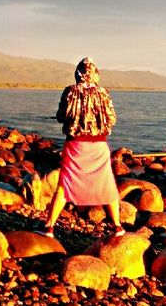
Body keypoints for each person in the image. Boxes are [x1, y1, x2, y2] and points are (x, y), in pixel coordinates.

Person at [43, 57, 124, 237]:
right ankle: (117, 227)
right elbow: (112, 119)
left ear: (78, 73)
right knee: (107, 184)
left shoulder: (69, 91)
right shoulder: (104, 93)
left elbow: (61, 117)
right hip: (98, 145)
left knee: (65, 184)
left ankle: (49, 227)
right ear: (95, 74)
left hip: (75, 145)